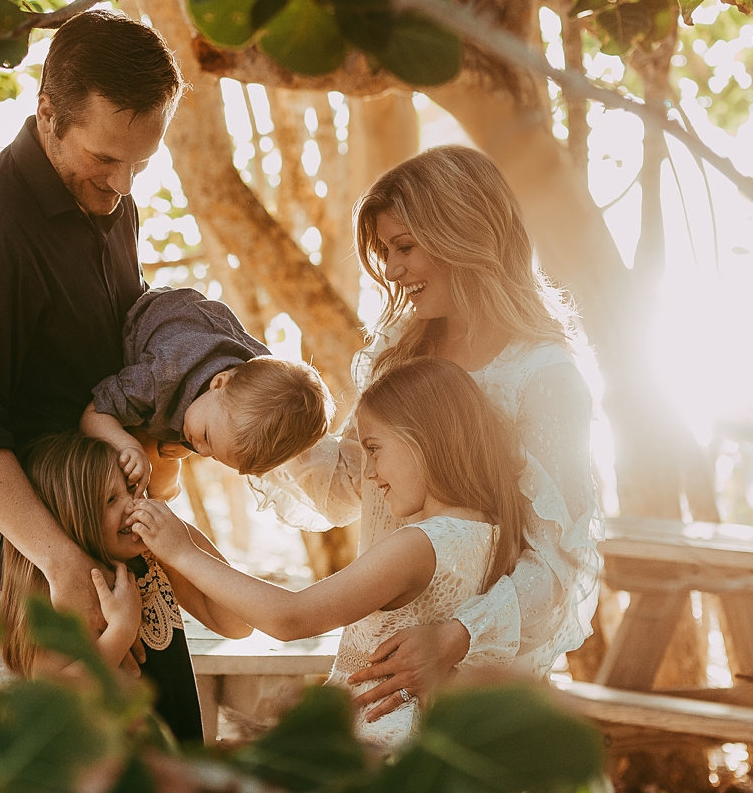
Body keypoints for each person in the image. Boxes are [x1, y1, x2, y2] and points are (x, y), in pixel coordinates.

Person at [251, 145, 602, 722]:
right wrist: (256, 409)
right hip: (375, 656)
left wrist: (458, 636)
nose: (391, 271)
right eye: (386, 252)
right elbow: (346, 487)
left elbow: (560, 562)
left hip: (465, 675)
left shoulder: (545, 378)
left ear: (465, 233)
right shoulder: (398, 352)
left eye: (404, 247)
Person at [0, 10, 181, 629]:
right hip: (8, 570)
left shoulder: (115, 203)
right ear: (47, 115)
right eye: (106, 158)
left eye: (140, 163)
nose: (121, 183)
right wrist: (63, 563)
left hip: (99, 541)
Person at [129, 357, 527, 748]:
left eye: (374, 448)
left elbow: (291, 618)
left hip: (376, 742)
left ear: (425, 439)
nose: (369, 474)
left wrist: (182, 553)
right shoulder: (488, 533)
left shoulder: (419, 544)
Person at [0, 432, 250, 743]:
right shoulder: (57, 598)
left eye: (132, 491)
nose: (132, 506)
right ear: (70, 519)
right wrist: (120, 632)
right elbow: (50, 702)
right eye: (110, 500)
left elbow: (238, 622)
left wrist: (181, 543)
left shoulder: (151, 562)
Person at [80, 286, 332, 496]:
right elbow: (94, 413)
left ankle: (161, 502)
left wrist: (196, 440)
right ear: (219, 382)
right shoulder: (158, 376)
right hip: (163, 317)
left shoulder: (241, 395)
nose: (200, 451)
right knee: (152, 461)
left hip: (208, 364)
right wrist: (128, 447)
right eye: (207, 438)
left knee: (167, 469)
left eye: (213, 455)